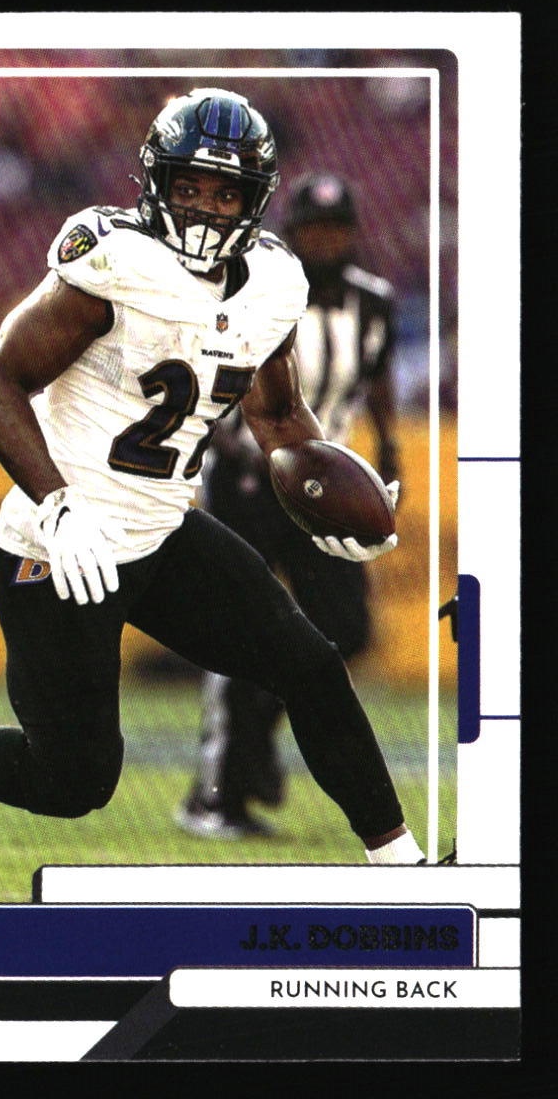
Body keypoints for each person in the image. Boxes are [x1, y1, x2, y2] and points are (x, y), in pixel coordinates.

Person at [0, 87, 426, 864]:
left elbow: (278, 416)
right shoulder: (113, 262)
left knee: (312, 666)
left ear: (255, 200)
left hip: (164, 532)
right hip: (63, 550)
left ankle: (403, 866)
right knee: (72, 780)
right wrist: (58, 508)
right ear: (157, 183)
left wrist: (330, 495)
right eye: (189, 187)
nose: (205, 208)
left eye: (225, 193)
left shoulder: (273, 284)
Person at [177, 172, 402, 839]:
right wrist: (223, 444)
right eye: (313, 230)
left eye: (335, 230)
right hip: (246, 479)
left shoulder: (373, 302)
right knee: (240, 626)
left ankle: (255, 747)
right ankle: (216, 795)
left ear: (351, 235)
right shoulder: (259, 291)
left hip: (322, 485)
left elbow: (376, 378)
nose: (324, 241)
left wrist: (388, 450)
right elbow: (212, 375)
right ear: (293, 233)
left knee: (344, 626)